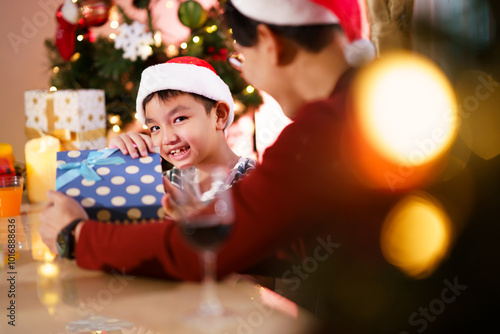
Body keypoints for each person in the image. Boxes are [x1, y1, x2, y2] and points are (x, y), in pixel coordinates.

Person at [40, 1, 469, 332]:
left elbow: (201, 251)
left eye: (244, 53)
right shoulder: (386, 98)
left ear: (270, 42)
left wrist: (77, 235)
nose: (251, 76)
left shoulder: (321, 134)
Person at [108, 56, 256, 191]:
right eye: (155, 128)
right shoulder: (164, 185)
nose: (167, 139)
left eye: (179, 119)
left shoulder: (254, 178)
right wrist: (120, 165)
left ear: (219, 115)